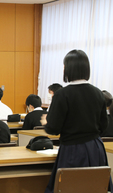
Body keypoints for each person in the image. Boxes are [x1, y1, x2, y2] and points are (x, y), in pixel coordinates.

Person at [40, 49, 112, 193]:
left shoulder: (62, 95)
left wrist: (46, 122)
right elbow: (104, 125)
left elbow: (53, 129)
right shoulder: (98, 93)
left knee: (70, 187)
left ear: (67, 69)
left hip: (73, 149)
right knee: (96, 187)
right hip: (96, 148)